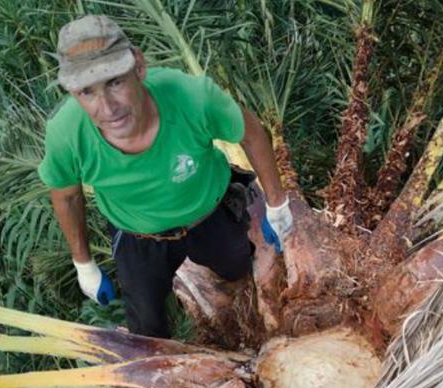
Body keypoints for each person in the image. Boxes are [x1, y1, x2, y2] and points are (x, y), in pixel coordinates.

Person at [38, 15, 294, 338]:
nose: (107, 108)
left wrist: (277, 202)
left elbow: (251, 133)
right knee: (147, 327)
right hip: (138, 235)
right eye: (87, 92)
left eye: (115, 82)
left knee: (237, 268)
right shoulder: (66, 135)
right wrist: (83, 264)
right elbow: (67, 195)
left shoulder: (193, 98)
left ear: (139, 67)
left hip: (209, 212)